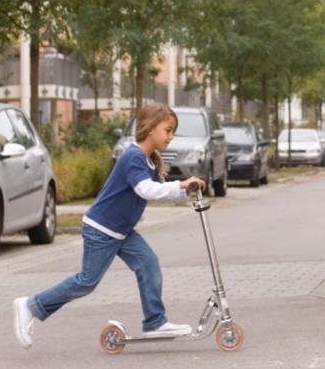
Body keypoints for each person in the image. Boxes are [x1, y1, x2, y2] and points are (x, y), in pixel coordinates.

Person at [12, 103, 205, 348]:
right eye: (167, 130)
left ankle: (155, 321)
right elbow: (145, 189)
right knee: (86, 282)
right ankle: (30, 306)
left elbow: (157, 193)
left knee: (148, 263)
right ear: (148, 129)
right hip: (102, 230)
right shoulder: (133, 156)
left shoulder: (149, 162)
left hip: (121, 231)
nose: (171, 136)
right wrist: (180, 184)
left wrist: (186, 191)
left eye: (172, 131)